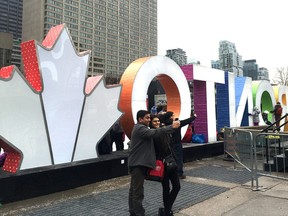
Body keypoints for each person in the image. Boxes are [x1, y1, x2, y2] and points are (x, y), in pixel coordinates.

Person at [128, 110, 180, 216]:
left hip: (140, 164)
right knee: (137, 192)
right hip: (138, 164)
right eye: (147, 118)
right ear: (140, 119)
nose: (149, 120)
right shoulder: (140, 129)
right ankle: (138, 213)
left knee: (134, 190)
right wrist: (171, 127)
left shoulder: (141, 129)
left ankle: (134, 212)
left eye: (149, 118)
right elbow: (154, 132)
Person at [150, 115, 180, 216]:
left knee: (177, 186)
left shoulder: (164, 131)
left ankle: (166, 209)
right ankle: (167, 211)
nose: (157, 123)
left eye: (158, 121)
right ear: (151, 123)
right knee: (166, 188)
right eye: (154, 122)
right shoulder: (153, 134)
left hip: (171, 162)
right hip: (162, 164)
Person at [160, 111, 197, 179]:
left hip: (167, 143)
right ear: (170, 116)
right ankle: (179, 173)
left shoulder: (163, 123)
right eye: (173, 115)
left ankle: (169, 173)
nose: (174, 116)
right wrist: (194, 116)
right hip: (176, 143)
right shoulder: (177, 123)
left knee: (169, 158)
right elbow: (187, 121)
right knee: (178, 158)